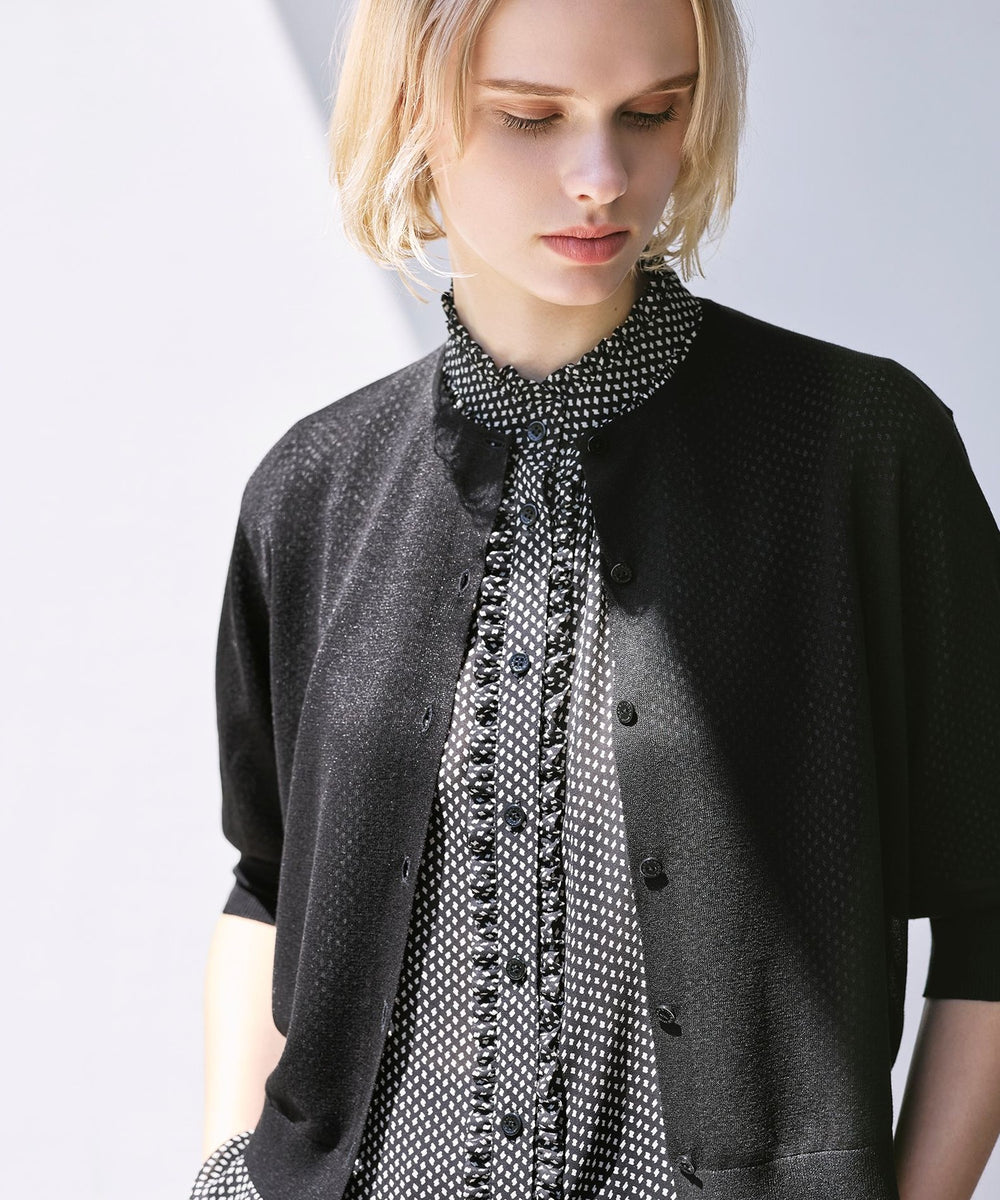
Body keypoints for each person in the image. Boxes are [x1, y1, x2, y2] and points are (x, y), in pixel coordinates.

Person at [187, 1, 1000, 1198]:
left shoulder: (857, 455)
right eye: (530, 117)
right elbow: (266, 881)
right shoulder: (313, 491)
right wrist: (221, 1170)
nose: (602, 178)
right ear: (409, 111)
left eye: (651, 113)